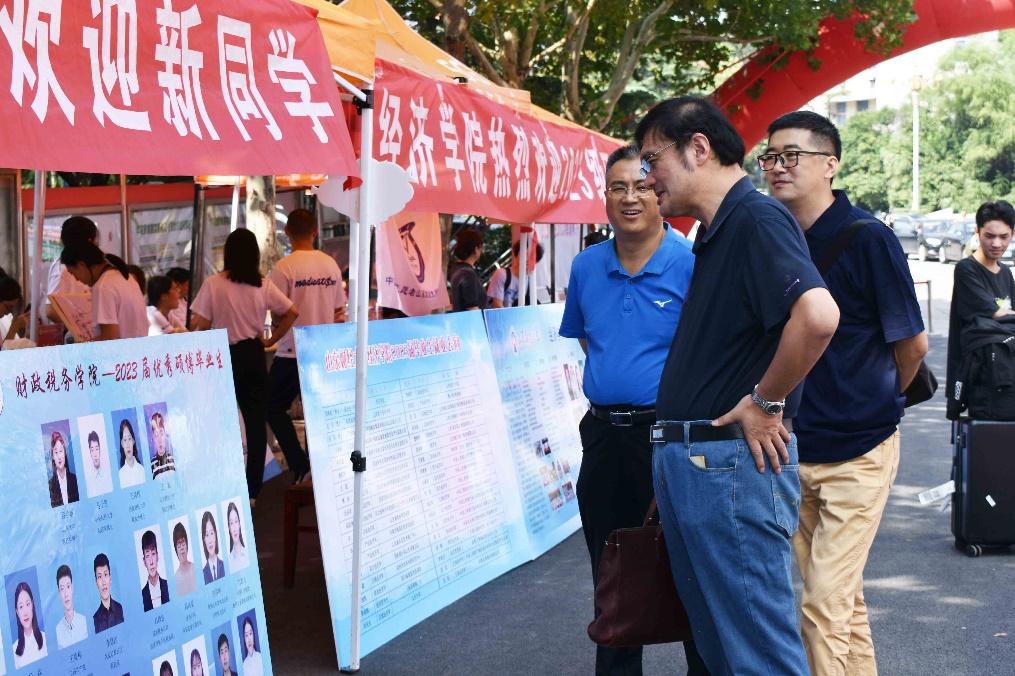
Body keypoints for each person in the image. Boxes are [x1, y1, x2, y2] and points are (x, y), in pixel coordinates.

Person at [635, 96, 839, 675]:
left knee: (758, 658)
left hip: (728, 468)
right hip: (705, 466)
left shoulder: (755, 218)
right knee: (726, 655)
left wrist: (766, 402)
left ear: (698, 148)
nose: (647, 179)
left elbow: (818, 316)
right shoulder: (720, 229)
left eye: (653, 160)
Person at [764, 111, 928, 676]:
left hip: (860, 450)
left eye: (792, 156)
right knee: (842, 603)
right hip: (795, 449)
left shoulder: (869, 238)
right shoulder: (775, 238)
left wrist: (874, 402)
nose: (778, 167)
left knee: (820, 608)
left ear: (830, 164)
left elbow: (913, 346)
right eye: (770, 157)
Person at [558, 145, 704, 676]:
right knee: (611, 573)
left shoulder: (689, 262)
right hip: (604, 438)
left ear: (659, 192)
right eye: (618, 187)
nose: (630, 197)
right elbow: (588, 340)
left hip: (670, 439)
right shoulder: (586, 266)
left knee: (689, 568)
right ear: (604, 196)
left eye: (642, 185)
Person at [191, 229, 299, 503]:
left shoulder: (213, 284)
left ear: (228, 253)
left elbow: (200, 325)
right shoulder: (262, 284)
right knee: (255, 424)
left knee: (221, 420)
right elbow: (292, 312)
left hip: (222, 356)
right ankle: (252, 491)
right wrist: (272, 339)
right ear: (254, 255)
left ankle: (223, 482)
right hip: (253, 354)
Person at [267, 208, 345, 484]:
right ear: (315, 231)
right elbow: (338, 310)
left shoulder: (284, 268)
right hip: (323, 350)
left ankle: (300, 464)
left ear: (287, 232)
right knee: (318, 411)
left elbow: (277, 312)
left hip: (292, 350)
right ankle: (321, 470)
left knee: (272, 406)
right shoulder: (330, 265)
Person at [947, 201, 1015, 417]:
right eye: (989, 236)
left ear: (1012, 234)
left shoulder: (1006, 273)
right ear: (977, 232)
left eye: (1004, 237)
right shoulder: (966, 269)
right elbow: (997, 314)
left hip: (1005, 376)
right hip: (978, 377)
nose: (996, 243)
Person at [60, 241, 148, 340]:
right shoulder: (125, 278)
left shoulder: (103, 287)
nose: (76, 279)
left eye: (72, 272)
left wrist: (84, 345)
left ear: (81, 265)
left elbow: (110, 337)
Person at [46, 216, 97, 323]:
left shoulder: (87, 263)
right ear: (90, 241)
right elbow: (51, 311)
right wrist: (84, 323)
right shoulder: (62, 268)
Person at [486, 239, 545, 308]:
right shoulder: (502, 274)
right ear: (516, 255)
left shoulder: (530, 280)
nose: (526, 259)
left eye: (531, 257)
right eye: (524, 254)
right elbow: (497, 305)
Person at [448, 228, 486, 312]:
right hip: (470, 319)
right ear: (476, 249)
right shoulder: (467, 274)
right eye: (481, 248)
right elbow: (472, 308)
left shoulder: (456, 268)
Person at [11, 581, 47, 667]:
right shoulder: (14, 650)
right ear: (17, 612)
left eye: (27, 604)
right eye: (21, 607)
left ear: (32, 605)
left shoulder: (46, 639)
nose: (25, 612)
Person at [55, 565, 88, 649]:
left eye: (68, 586)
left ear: (72, 588)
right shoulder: (58, 631)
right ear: (59, 593)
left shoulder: (84, 622)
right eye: (62, 589)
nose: (66, 594)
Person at [92, 553, 124, 633]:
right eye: (99, 577)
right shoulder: (95, 619)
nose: (103, 582)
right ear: (96, 583)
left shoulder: (121, 609)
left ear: (110, 578)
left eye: (105, 575)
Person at [48, 430, 80, 507]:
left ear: (65, 452)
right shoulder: (50, 485)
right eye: (56, 452)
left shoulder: (75, 480)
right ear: (53, 457)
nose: (59, 456)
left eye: (61, 451)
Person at [140, 529, 170, 611]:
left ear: (157, 556)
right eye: (147, 555)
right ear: (144, 561)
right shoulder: (142, 595)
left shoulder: (168, 586)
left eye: (153, 554)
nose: (151, 562)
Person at [0, 268, 29, 347]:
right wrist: (14, 328)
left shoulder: (6, 319)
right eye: (7, 307)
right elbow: (3, 353)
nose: (8, 312)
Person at [117, 418, 146, 488]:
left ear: (133, 441)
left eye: (129, 439)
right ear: (122, 444)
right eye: (125, 440)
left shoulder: (142, 471)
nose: (127, 445)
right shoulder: (120, 475)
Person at [84, 429, 113, 497]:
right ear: (90, 452)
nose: (95, 454)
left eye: (97, 449)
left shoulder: (109, 475)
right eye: (92, 450)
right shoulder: (88, 481)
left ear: (100, 450)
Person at [173, 522, 198, 596]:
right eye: (178, 544)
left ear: (187, 544)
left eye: (183, 542)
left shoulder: (196, 569)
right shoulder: (175, 578)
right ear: (175, 549)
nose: (181, 548)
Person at [150, 411, 176, 480]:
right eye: (156, 434)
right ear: (153, 438)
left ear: (165, 434)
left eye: (161, 433)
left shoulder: (174, 459)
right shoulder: (151, 465)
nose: (159, 440)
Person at [201, 511, 225, 583]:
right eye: (206, 535)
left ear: (215, 535)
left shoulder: (225, 565)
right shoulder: (203, 573)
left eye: (211, 533)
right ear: (204, 539)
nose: (210, 540)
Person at [225, 502, 249, 571]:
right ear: (229, 527)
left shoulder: (248, 554)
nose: (234, 528)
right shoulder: (228, 562)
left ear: (239, 524)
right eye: (231, 523)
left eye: (236, 521)